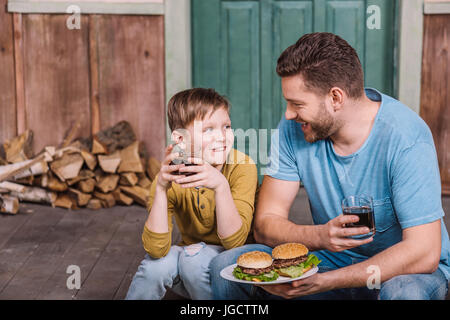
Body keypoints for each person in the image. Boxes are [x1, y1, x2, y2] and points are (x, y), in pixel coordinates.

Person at [210, 32, 450, 300]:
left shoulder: (406, 137)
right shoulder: (293, 128)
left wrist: (326, 282)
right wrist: (321, 237)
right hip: (330, 262)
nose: (289, 114)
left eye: (297, 104)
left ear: (336, 98)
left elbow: (424, 252)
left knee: (406, 294)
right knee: (227, 266)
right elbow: (266, 224)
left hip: (401, 272)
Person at [126, 88, 258, 300]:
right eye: (208, 130)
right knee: (155, 267)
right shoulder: (172, 175)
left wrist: (221, 186)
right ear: (181, 139)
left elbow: (234, 243)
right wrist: (160, 188)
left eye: (226, 126)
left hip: (234, 265)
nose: (222, 137)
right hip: (191, 258)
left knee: (192, 259)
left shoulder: (242, 167)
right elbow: (156, 249)